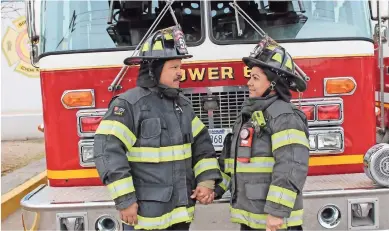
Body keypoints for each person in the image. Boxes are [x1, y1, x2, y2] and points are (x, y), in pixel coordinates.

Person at [93, 26, 222, 231]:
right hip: (145, 218)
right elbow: (107, 152)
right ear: (154, 69)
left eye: (180, 66)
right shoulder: (129, 105)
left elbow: (203, 148)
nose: (180, 73)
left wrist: (206, 181)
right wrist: (125, 200)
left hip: (180, 214)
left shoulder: (183, 106)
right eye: (173, 67)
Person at [214, 37, 310, 231]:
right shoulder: (249, 115)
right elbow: (234, 163)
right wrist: (214, 188)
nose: (249, 83)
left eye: (255, 78)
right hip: (253, 219)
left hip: (277, 223)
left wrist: (277, 211)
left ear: (273, 84)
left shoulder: (285, 117)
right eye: (250, 77)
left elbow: (291, 166)